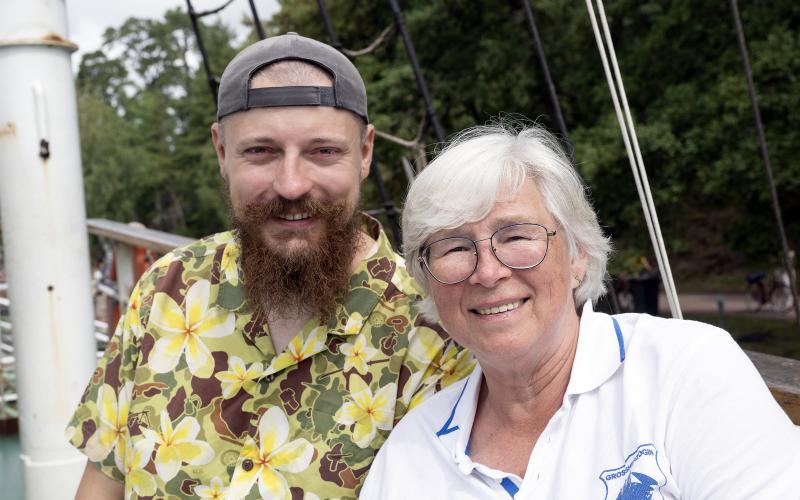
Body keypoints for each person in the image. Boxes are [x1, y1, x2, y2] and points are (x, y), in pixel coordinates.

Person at [68, 33, 471, 500]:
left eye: (323, 151)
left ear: (364, 153)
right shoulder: (167, 289)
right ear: (222, 152)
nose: (292, 184)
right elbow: (102, 485)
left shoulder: (435, 332)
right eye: (261, 151)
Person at [361, 121, 800, 499]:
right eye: (454, 247)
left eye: (516, 236)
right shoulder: (410, 455)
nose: (488, 272)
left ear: (578, 254)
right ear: (428, 280)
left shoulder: (683, 371)